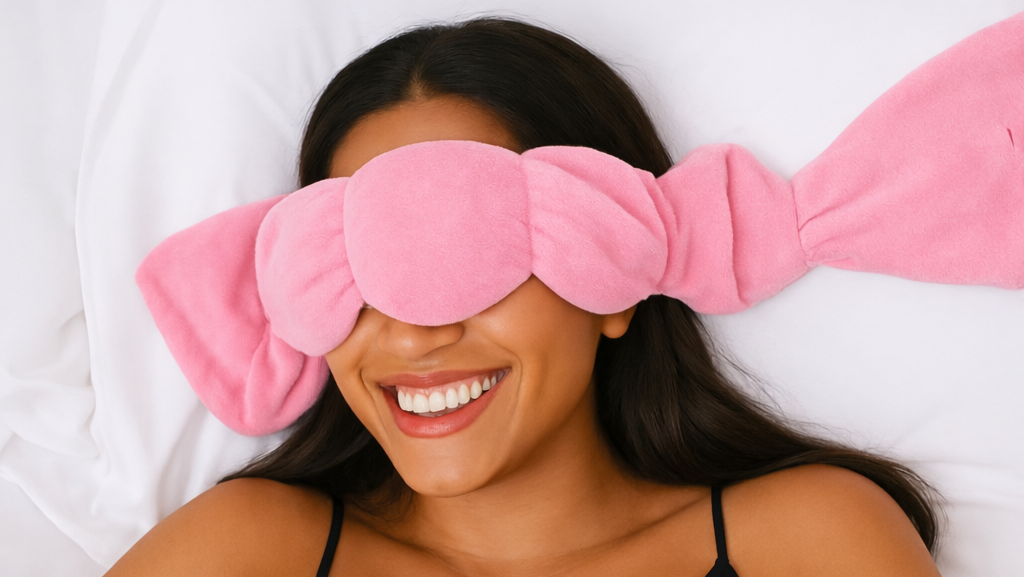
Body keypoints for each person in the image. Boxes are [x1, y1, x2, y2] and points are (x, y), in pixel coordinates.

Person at [107, 18, 949, 576]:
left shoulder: (806, 538)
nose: (413, 333)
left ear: (616, 271)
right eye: (353, 263)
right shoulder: (247, 549)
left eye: (471, 254)